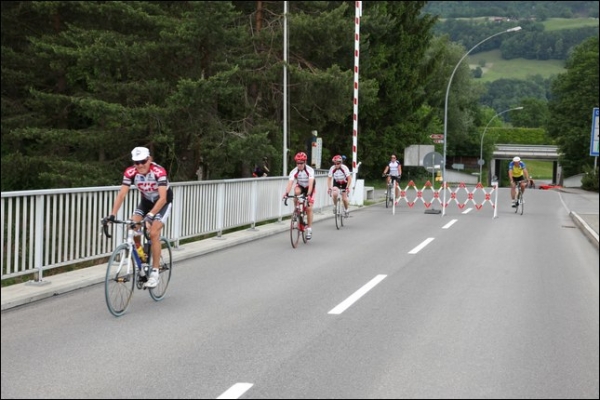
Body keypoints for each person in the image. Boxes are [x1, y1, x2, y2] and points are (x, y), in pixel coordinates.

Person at [103, 147, 173, 288]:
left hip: (163, 202)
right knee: (132, 227)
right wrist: (112, 215)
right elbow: (121, 195)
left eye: (143, 161)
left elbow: (163, 198)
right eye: (136, 162)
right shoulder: (130, 172)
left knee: (154, 233)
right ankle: (142, 257)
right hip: (146, 202)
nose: (140, 165)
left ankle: (154, 273)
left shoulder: (159, 172)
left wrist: (151, 216)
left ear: (149, 159)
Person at [282, 152, 315, 240]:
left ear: (305, 162)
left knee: (309, 208)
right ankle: (297, 210)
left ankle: (309, 229)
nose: (299, 165)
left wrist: (308, 195)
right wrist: (286, 193)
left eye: (301, 163)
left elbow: (311, 183)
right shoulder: (294, 171)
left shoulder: (310, 170)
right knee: (296, 192)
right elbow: (290, 183)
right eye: (297, 163)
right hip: (300, 186)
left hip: (309, 188)